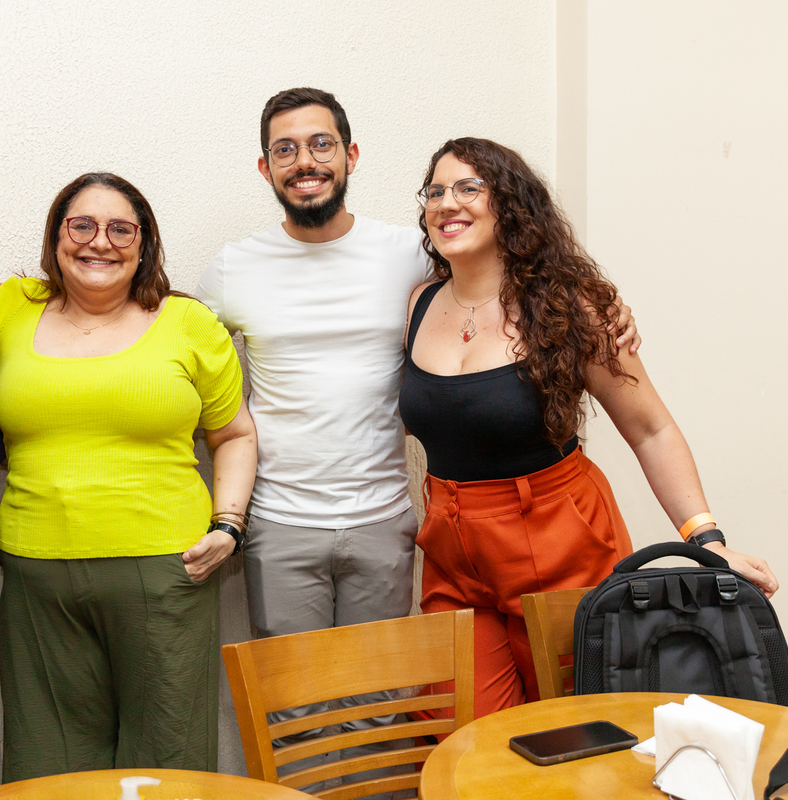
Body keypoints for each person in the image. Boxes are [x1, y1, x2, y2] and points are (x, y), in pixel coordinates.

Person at [195, 88, 637, 791]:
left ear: (350, 155)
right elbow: (171, 334)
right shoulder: (231, 268)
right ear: (264, 166)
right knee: (296, 715)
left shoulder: (411, 256)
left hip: (388, 520)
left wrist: (601, 306)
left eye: (320, 144)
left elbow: (509, 281)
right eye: (285, 149)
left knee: (391, 713)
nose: (305, 161)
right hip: (281, 520)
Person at [401, 136, 778, 719]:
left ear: (510, 205)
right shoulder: (419, 303)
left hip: (557, 535)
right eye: (436, 191)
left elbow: (651, 429)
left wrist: (707, 541)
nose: (448, 202)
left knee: (580, 722)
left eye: (469, 187)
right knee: (457, 727)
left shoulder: (570, 309)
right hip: (453, 550)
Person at [0, 173, 257, 780]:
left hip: (166, 574)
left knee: (166, 762)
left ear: (145, 243)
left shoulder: (187, 322)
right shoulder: (8, 308)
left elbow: (235, 434)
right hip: (36, 580)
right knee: (50, 768)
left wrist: (229, 525)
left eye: (120, 229)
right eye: (81, 225)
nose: (99, 242)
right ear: (56, 237)